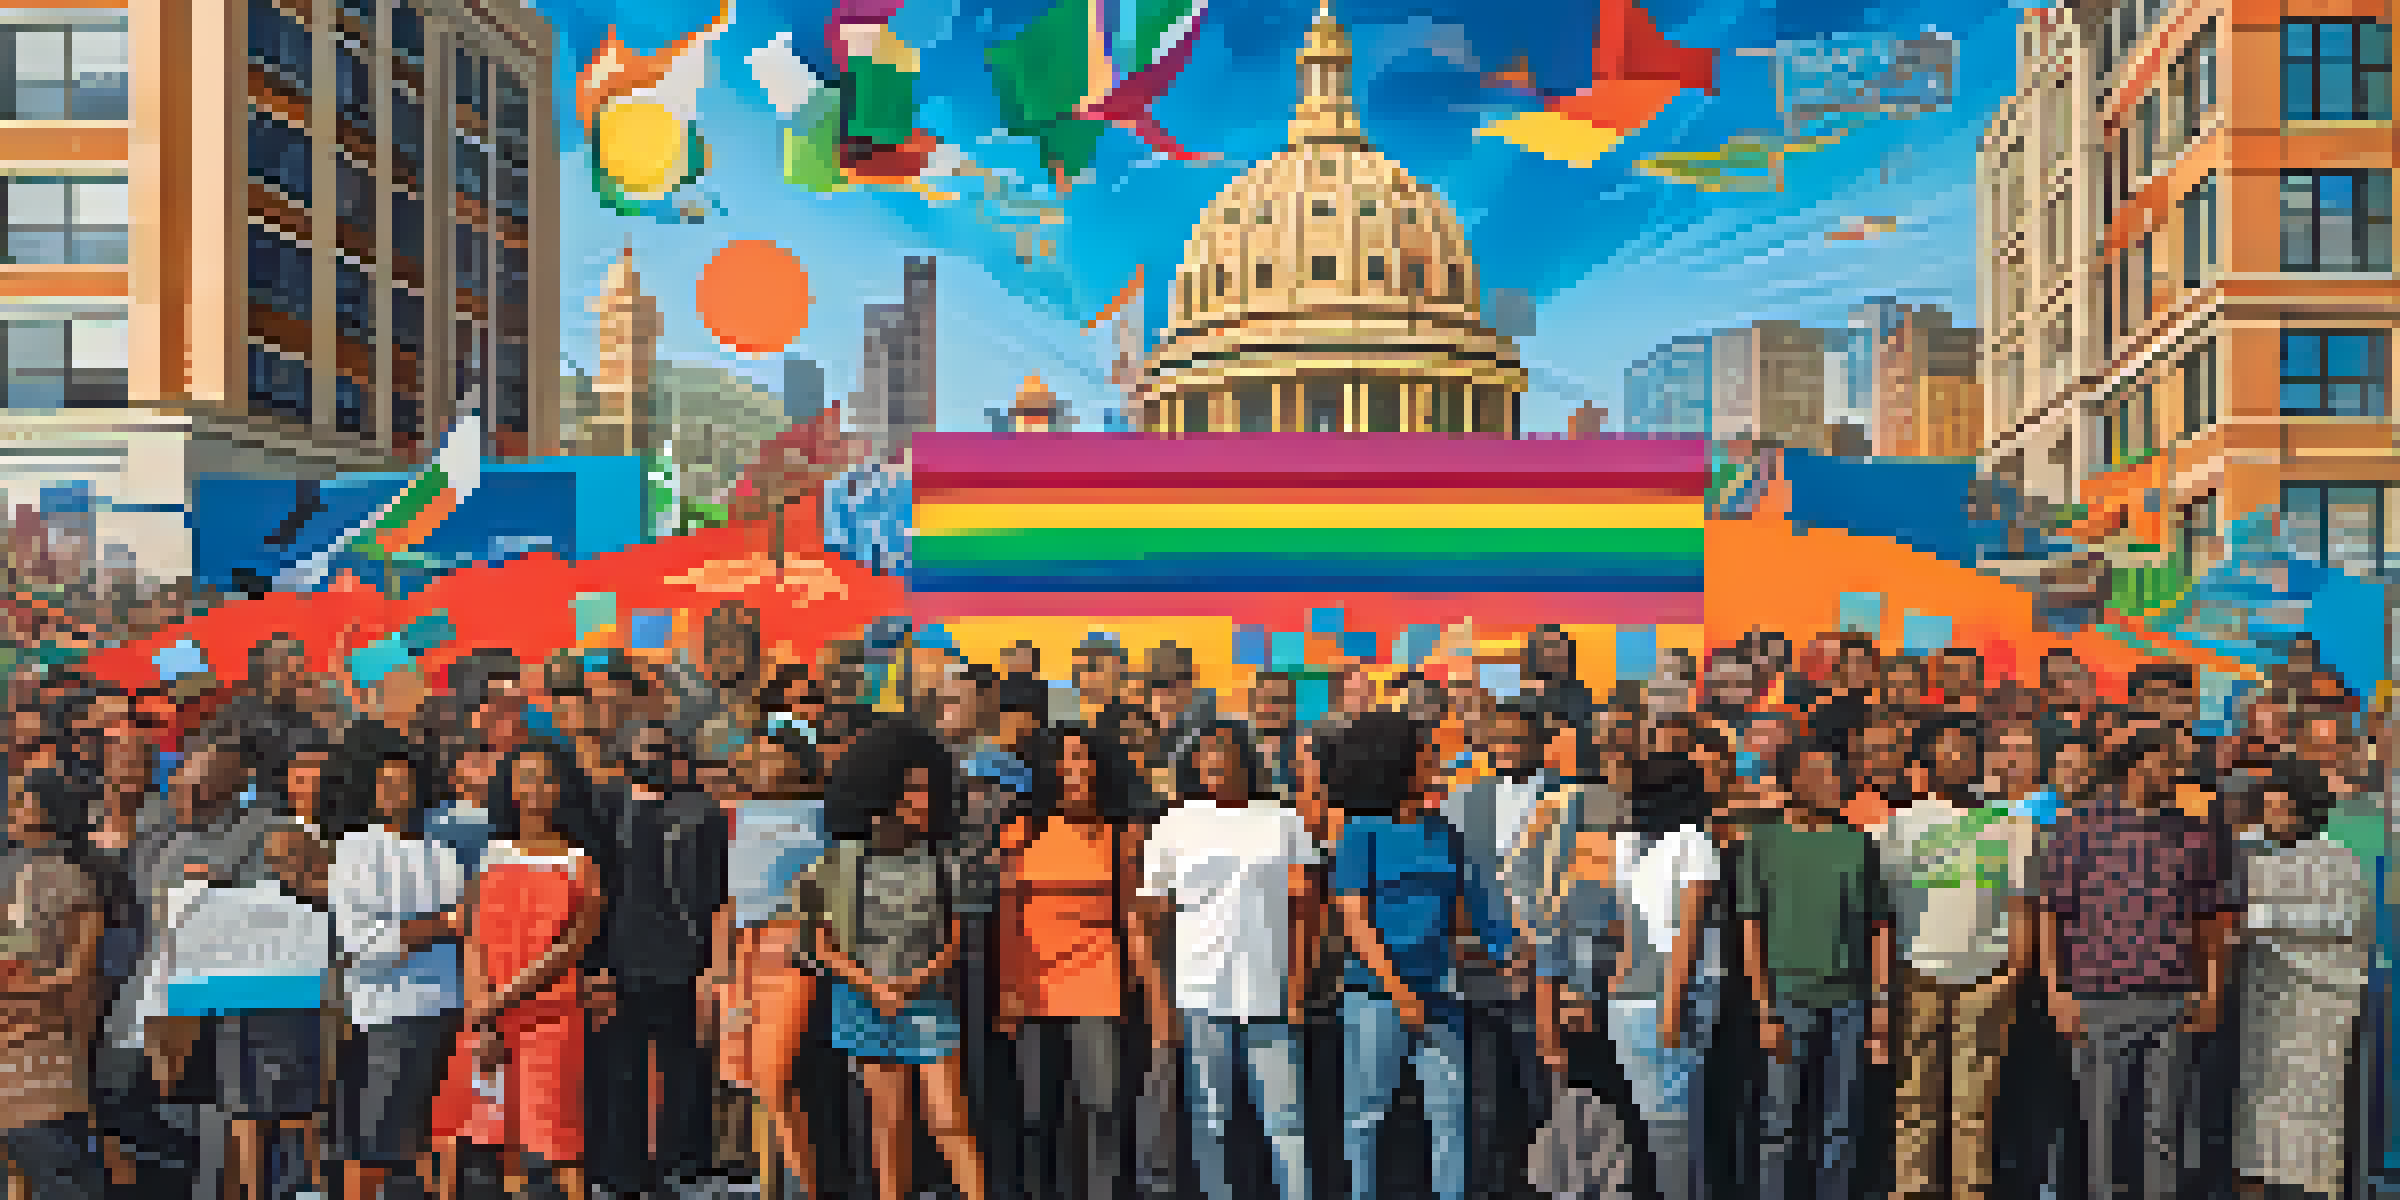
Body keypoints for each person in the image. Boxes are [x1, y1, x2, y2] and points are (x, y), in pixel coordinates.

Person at [794, 718, 988, 1200]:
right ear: (882, 790)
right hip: (862, 1001)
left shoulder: (945, 860)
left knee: (948, 1119)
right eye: (913, 789)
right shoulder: (840, 861)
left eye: (928, 788)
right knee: (889, 1125)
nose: (924, 800)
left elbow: (958, 937)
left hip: (925, 1001)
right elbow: (817, 942)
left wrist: (917, 978)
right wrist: (870, 984)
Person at [1328, 710, 1516, 1200]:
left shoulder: (1444, 832)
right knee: (1365, 1118)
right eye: (1427, 754)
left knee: (1452, 1115)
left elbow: (1478, 906)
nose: (1436, 763)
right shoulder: (1359, 834)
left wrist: (1510, 951)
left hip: (1440, 996)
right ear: (1397, 763)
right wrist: (1398, 992)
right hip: (1376, 999)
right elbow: (1356, 923)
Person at [2041, 726, 2234, 1200]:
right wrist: (2056, 991)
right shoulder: (2080, 825)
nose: (2174, 772)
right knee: (2098, 1129)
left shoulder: (2195, 832)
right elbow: (2052, 912)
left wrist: (2211, 991)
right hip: (2097, 996)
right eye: (2165, 762)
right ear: (2136, 764)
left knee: (2163, 1130)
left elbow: (2211, 918)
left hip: (2171, 997)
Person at [1138, 721, 1319, 1200]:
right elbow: (1151, 919)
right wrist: (1160, 999)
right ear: (1194, 763)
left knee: (1286, 1122)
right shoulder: (1173, 824)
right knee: (1209, 1120)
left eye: (1222, 750)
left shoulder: (1283, 820)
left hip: (1269, 993)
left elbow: (1306, 912)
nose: (1213, 760)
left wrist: (1297, 987)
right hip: (1200, 994)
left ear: (1244, 759)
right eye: (1204, 752)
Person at [429, 741, 608, 1200]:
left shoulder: (579, 862)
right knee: (483, 1136)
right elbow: (473, 939)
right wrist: (481, 1016)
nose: (535, 788)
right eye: (525, 776)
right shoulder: (491, 857)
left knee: (554, 1142)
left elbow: (571, 947)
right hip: (488, 1015)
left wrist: (501, 998)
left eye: (546, 778)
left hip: (551, 1017)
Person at [1873, 716, 2039, 1200]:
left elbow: (2021, 900)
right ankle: (1912, 1188)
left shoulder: (2007, 822)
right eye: (1947, 750)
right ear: (1926, 760)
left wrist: (2014, 969)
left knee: (1974, 1103)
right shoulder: (1900, 826)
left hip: (1986, 974)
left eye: (1966, 750)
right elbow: (1882, 910)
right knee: (1914, 1096)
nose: (1958, 759)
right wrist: (1887, 984)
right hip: (1914, 970)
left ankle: (1970, 1191)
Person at [993, 723, 1146, 1200]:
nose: (1074, 769)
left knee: (1103, 1106)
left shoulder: (1119, 834)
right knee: (1038, 1112)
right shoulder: (1020, 831)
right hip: (1032, 982)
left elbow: (1130, 914)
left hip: (1098, 979)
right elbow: (1008, 917)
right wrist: (1009, 990)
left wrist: (1139, 979)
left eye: (1083, 758)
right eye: (1064, 759)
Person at [1738, 740, 1894, 1200]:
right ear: (1792, 783)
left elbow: (1878, 929)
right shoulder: (1762, 843)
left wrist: (1880, 1003)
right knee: (1778, 1125)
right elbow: (1752, 931)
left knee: (1839, 1125)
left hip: (1848, 1002)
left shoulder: (1857, 843)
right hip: (1786, 1001)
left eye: (1835, 772)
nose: (1834, 782)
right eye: (1822, 773)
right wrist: (1764, 1009)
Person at [584, 722, 730, 1199]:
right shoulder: (606, 808)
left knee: (682, 1072)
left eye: (663, 749)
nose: (654, 758)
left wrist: (712, 966)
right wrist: (596, 965)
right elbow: (593, 893)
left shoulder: (700, 811)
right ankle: (621, 1173)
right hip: (619, 960)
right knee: (620, 1072)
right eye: (644, 748)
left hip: (682, 960)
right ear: (625, 753)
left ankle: (674, 1168)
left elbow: (715, 893)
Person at [327, 723, 467, 1200]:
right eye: (385, 783)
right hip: (384, 1012)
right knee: (376, 1145)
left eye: (404, 782)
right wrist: (433, 928)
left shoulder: (443, 855)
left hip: (448, 1005)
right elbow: (357, 939)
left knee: (436, 1138)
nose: (396, 792)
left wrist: (422, 931)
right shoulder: (352, 851)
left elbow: (464, 923)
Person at [2234, 759, 2369, 1200]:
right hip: (2262, 1016)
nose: (2270, 815)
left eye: (2278, 805)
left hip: (2317, 1018)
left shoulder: (2339, 862)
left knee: (2310, 1133)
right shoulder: (2253, 857)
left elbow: (2341, 920)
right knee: (2254, 1138)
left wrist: (2257, 918)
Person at [1440, 703, 1550, 1200]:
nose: (1505, 745)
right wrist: (1489, 947)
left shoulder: (1571, 799)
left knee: (1543, 1092)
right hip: (1482, 967)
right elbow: (1454, 885)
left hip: (1549, 968)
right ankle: (1487, 1187)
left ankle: (1548, 1184)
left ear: (1538, 741)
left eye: (1515, 736)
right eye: (1496, 736)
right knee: (1482, 1093)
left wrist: (1539, 947)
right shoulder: (1460, 804)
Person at [721, 729, 831, 1200]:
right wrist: (721, 965)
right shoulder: (737, 813)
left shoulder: (825, 813)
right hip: (743, 950)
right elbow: (729, 899)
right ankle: (774, 1185)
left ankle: (808, 1186)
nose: (760, 763)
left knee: (773, 1072)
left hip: (792, 945)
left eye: (772, 753)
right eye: (755, 755)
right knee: (749, 1078)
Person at [0, 766, 108, 1199]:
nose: (13, 807)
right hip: (12, 1045)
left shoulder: (71, 879)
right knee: (18, 1174)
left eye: (24, 799)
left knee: (59, 1176)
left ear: (47, 811)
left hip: (47, 1053)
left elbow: (82, 976)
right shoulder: (11, 873)